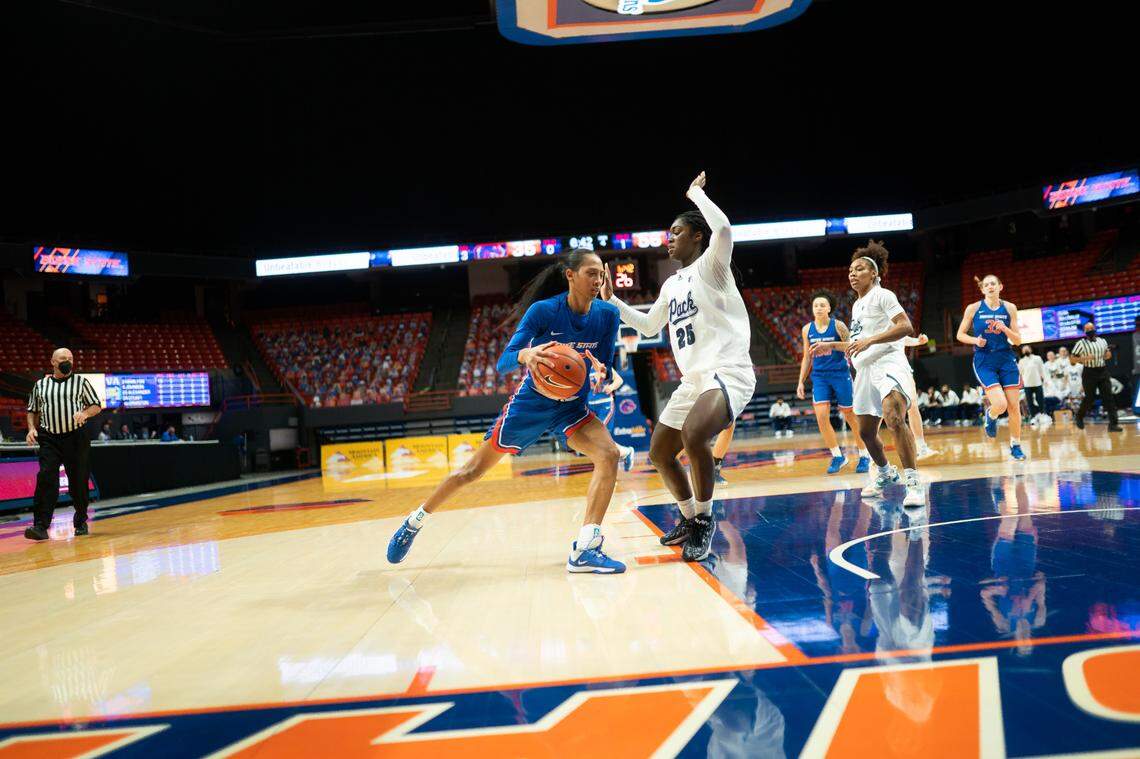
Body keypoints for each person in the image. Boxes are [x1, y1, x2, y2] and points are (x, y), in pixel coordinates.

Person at [386, 249, 627, 574]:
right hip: (531, 405)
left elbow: (607, 365)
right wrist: (526, 355)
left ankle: (586, 547)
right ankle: (415, 521)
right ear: (570, 275)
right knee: (470, 472)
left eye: (601, 274)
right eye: (590, 273)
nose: (598, 280)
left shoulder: (608, 316)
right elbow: (504, 361)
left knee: (609, 454)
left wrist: (603, 373)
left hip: (572, 407)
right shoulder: (544, 311)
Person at [604, 171, 755, 562]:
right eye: (668, 234)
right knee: (658, 453)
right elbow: (650, 325)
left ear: (696, 237)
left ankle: (705, 521)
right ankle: (689, 518)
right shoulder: (672, 285)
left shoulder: (712, 266)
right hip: (694, 381)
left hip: (728, 371)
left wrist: (695, 195)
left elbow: (723, 228)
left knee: (693, 434)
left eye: (676, 232)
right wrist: (612, 302)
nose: (669, 239)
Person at [810, 241, 924, 508]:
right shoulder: (857, 306)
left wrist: (871, 341)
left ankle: (914, 482)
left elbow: (905, 326)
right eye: (850, 269)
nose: (852, 273)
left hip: (888, 363)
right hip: (863, 370)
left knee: (894, 416)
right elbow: (857, 344)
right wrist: (832, 345)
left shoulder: (884, 295)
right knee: (866, 432)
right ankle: (885, 472)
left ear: (874, 274)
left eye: (859, 268)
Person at [23, 348, 102, 541]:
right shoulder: (40, 385)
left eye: (70, 358)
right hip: (49, 437)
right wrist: (31, 428)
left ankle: (81, 521)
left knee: (78, 480)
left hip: (75, 437)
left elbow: (96, 405)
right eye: (62, 358)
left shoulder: (81, 382)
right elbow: (32, 410)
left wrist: (84, 414)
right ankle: (41, 526)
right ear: (52, 362)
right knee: (46, 478)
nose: (67, 361)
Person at [796, 290, 870, 474]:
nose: (819, 308)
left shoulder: (839, 326)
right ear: (812, 309)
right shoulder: (807, 329)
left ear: (829, 308)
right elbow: (807, 357)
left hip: (840, 374)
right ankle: (838, 455)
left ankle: (864, 454)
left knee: (850, 414)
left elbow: (851, 346)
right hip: (820, 377)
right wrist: (800, 382)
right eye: (816, 305)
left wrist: (830, 346)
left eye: (822, 305)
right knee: (821, 416)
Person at [957, 274, 1026, 461]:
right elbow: (960, 334)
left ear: (1000, 286)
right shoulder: (973, 308)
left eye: (993, 283)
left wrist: (1005, 329)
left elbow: (1018, 340)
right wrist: (975, 340)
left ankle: (1016, 445)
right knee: (1001, 405)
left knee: (1014, 407)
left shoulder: (1010, 307)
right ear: (982, 289)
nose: (989, 287)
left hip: (1006, 358)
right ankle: (991, 414)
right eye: (986, 285)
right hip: (984, 360)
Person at [581, 357, 636, 468]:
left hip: (605, 406)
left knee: (598, 436)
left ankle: (609, 463)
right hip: (590, 407)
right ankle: (626, 452)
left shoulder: (602, 364)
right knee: (602, 440)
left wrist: (611, 387)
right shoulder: (581, 366)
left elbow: (619, 380)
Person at [1072, 320, 1121, 431]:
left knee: (1109, 397)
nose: (1090, 331)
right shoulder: (1081, 343)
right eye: (1087, 330)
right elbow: (1072, 359)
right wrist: (1084, 358)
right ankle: (1079, 417)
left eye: (1091, 329)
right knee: (1090, 398)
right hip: (1089, 372)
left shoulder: (1102, 341)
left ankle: (1113, 424)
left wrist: (1108, 354)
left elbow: (1107, 355)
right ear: (1084, 332)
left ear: (1095, 329)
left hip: (1102, 371)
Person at [1018, 345, 1047, 424]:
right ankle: (1033, 417)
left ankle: (1043, 416)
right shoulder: (1021, 361)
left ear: (1031, 350)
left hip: (1038, 383)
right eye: (1024, 349)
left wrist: (1045, 380)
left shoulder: (1037, 358)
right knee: (1030, 402)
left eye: (1027, 349)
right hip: (1027, 384)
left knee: (1040, 400)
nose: (1026, 350)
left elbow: (1042, 370)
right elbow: (1019, 373)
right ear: (1022, 352)